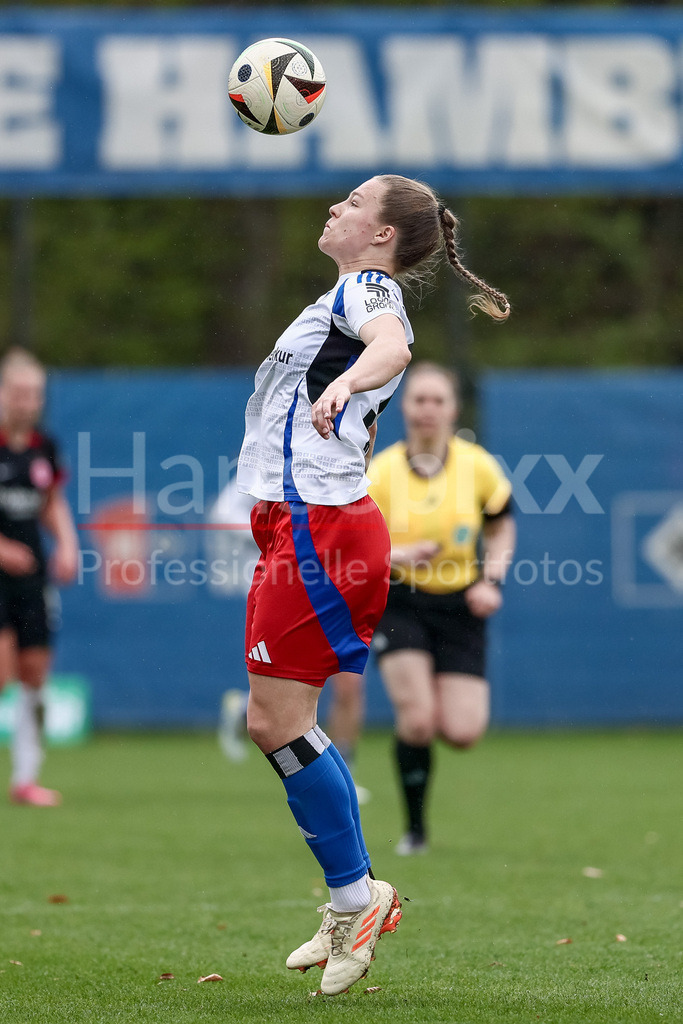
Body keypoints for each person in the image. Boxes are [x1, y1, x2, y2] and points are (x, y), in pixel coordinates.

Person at [236, 174, 509, 995]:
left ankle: (357, 896)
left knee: (275, 720)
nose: (333, 208)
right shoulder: (345, 294)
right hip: (300, 519)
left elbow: (392, 345)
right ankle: (354, 897)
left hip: (321, 527)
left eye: (352, 203)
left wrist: (349, 381)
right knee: (279, 722)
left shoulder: (367, 287)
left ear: (383, 235)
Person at [368, 361, 516, 855]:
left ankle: (430, 697)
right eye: (418, 400)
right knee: (417, 721)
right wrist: (396, 555)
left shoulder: (477, 466)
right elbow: (354, 544)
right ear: (404, 407)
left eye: (437, 400)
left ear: (453, 409)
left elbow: (500, 527)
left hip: (460, 602)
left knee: (462, 731)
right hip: (400, 599)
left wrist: (491, 580)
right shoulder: (382, 471)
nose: (427, 410)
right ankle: (414, 832)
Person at [211, 479, 370, 802]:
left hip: (337, 582)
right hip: (283, 586)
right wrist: (279, 537)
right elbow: (222, 515)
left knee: (346, 684)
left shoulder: (336, 469)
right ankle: (244, 709)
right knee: (296, 688)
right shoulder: (265, 476)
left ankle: (345, 775)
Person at [0, 348, 79, 806]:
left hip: (30, 576)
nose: (27, 401)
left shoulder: (43, 447)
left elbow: (51, 502)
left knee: (35, 671)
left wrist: (66, 544)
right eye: (19, 392)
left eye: (35, 394)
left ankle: (25, 778)